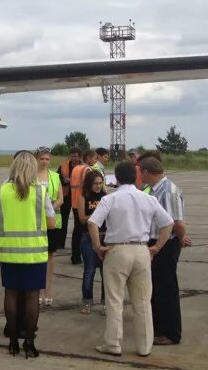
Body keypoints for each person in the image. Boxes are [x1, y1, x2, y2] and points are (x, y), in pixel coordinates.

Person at [87, 162, 173, 357]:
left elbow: (93, 223)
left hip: (117, 250)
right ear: (136, 177)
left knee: (114, 300)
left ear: (116, 179)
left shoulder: (110, 198)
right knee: (143, 302)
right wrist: (157, 247)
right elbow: (167, 223)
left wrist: (97, 246)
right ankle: (144, 346)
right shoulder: (148, 199)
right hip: (142, 250)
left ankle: (113, 344)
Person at [0, 151, 56, 358]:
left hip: (8, 252)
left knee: (10, 294)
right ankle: (29, 340)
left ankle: (12, 341)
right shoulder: (40, 192)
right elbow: (52, 223)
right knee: (32, 296)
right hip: (34, 254)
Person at [139, 157, 191, 346]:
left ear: (146, 172)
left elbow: (176, 222)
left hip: (165, 244)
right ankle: (159, 328)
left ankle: (170, 332)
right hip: (157, 242)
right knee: (157, 288)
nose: (138, 174)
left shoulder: (168, 191)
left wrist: (181, 238)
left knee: (166, 288)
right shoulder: (155, 190)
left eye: (140, 170)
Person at [35, 147, 63, 306]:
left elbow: (61, 198)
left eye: (47, 159)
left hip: (52, 221)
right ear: (36, 159)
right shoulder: (31, 175)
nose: (45, 162)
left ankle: (48, 289)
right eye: (42, 159)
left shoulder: (54, 176)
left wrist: (50, 207)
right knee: (38, 255)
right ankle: (38, 289)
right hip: (36, 220)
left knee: (50, 255)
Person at [78, 171, 106, 315]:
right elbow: (82, 218)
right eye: (95, 183)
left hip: (104, 236)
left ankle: (105, 304)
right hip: (88, 237)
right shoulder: (84, 197)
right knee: (89, 271)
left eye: (100, 183)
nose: (98, 186)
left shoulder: (106, 197)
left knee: (105, 272)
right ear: (89, 183)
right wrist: (99, 212)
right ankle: (87, 302)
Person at [69, 150, 97, 264]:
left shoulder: (76, 168)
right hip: (83, 202)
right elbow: (90, 186)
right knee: (84, 231)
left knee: (77, 231)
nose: (95, 161)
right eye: (94, 159)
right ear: (89, 158)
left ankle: (75, 256)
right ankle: (83, 255)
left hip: (74, 202)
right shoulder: (88, 170)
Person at [57, 147, 82, 254]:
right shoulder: (63, 166)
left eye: (75, 156)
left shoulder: (83, 167)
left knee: (78, 221)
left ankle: (78, 244)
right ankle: (60, 242)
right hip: (66, 195)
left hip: (78, 197)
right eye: (72, 156)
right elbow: (57, 178)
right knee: (63, 219)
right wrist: (64, 180)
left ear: (79, 156)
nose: (73, 158)